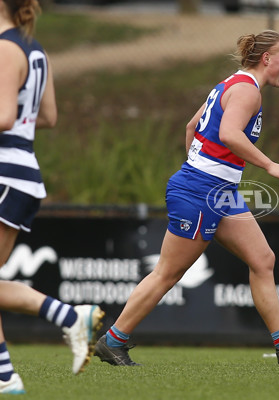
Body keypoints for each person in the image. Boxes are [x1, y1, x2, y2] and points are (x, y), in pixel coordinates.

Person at [94, 30, 279, 367]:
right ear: (268, 59)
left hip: (217, 191)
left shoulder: (230, 83)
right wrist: (270, 166)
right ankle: (112, 341)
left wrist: (199, 169)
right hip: (201, 190)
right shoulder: (248, 91)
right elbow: (228, 134)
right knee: (167, 273)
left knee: (263, 259)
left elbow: (192, 128)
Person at [0, 0, 105, 394]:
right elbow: (47, 117)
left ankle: (6, 376)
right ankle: (68, 316)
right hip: (20, 173)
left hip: (6, 173)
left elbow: (5, 116)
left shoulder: (6, 47)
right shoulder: (34, 48)